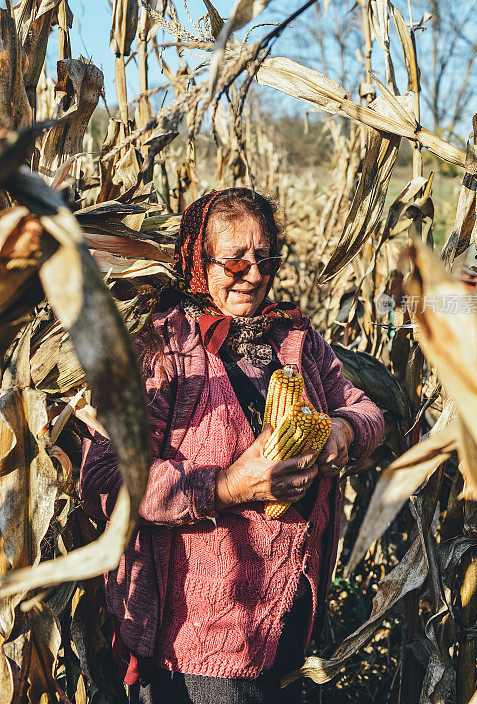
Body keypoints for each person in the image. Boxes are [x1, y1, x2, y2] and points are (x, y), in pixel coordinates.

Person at [80, 187, 384, 704]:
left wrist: (344, 433)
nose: (254, 275)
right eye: (233, 261)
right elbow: (108, 479)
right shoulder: (160, 347)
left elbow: (365, 409)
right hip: (202, 643)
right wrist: (225, 486)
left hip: (291, 619)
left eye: (265, 260)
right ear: (197, 261)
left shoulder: (295, 338)